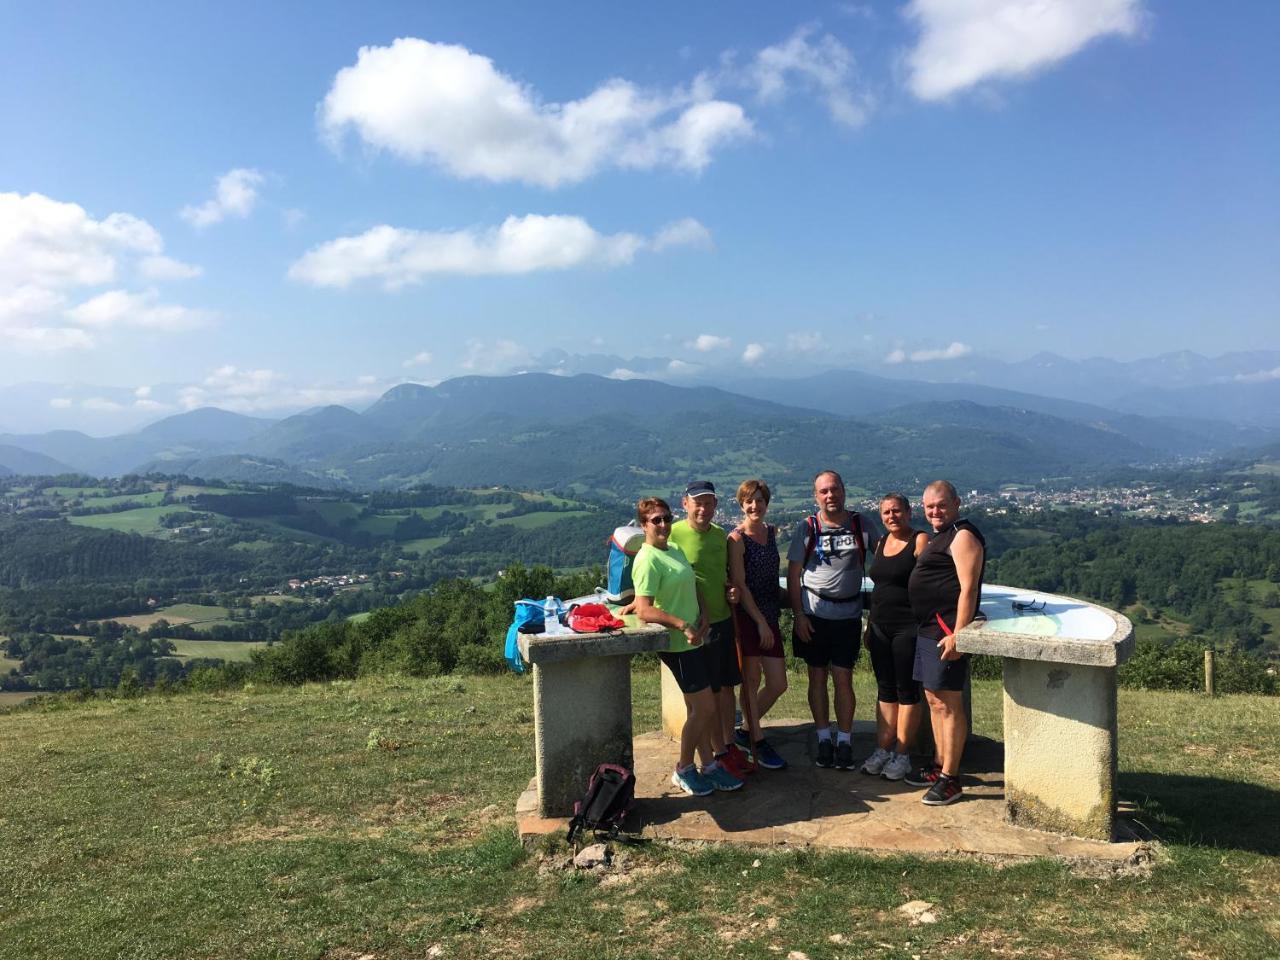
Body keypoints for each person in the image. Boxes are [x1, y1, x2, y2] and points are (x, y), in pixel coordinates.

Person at [631, 496, 744, 795]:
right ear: (644, 525)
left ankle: (708, 765)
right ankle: (683, 768)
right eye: (656, 520)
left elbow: (693, 583)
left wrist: (703, 614)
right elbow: (644, 609)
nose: (664, 524)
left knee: (700, 708)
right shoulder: (646, 559)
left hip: (696, 638)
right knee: (705, 708)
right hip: (679, 645)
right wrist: (682, 624)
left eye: (666, 518)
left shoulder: (674, 549)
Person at [787, 470, 874, 770]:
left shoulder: (862, 524)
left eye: (834, 489)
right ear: (816, 496)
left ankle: (845, 740)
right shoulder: (807, 527)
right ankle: (824, 737)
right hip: (813, 615)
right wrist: (798, 615)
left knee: (843, 678)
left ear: (844, 491)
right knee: (817, 677)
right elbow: (794, 574)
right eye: (823, 491)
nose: (830, 496)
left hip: (848, 616)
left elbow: (888, 558)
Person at [906, 480, 986, 806]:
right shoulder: (944, 535)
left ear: (956, 503)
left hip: (944, 632)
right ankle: (940, 765)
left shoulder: (963, 536)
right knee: (934, 700)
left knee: (949, 703)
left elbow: (968, 589)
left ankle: (951, 779)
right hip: (928, 629)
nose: (934, 511)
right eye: (929, 507)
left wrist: (959, 633)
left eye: (940, 505)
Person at [668, 481, 752, 780]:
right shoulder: (673, 534)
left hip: (722, 620)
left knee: (727, 687)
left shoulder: (720, 537)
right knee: (710, 694)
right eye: (697, 502)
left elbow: (725, 577)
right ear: (685, 503)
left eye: (709, 503)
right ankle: (717, 752)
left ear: (716, 506)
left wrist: (731, 590)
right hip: (696, 626)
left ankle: (727, 746)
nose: (704, 508)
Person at [860, 493, 929, 781]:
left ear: (909, 512)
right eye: (886, 512)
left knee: (907, 691)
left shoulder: (920, 540)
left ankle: (902, 753)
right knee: (885, 689)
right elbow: (879, 588)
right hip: (880, 626)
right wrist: (869, 624)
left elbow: (932, 580)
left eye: (897, 511)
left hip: (908, 627)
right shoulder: (880, 542)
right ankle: (884, 748)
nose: (891, 516)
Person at [727, 479, 788, 770]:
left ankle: (746, 731)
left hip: (770, 613)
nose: (755, 506)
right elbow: (740, 584)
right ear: (741, 504)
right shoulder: (737, 539)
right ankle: (758, 742)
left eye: (759, 500)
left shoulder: (771, 532)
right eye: (749, 501)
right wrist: (760, 622)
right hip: (749, 617)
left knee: (778, 683)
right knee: (751, 681)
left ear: (767, 503)